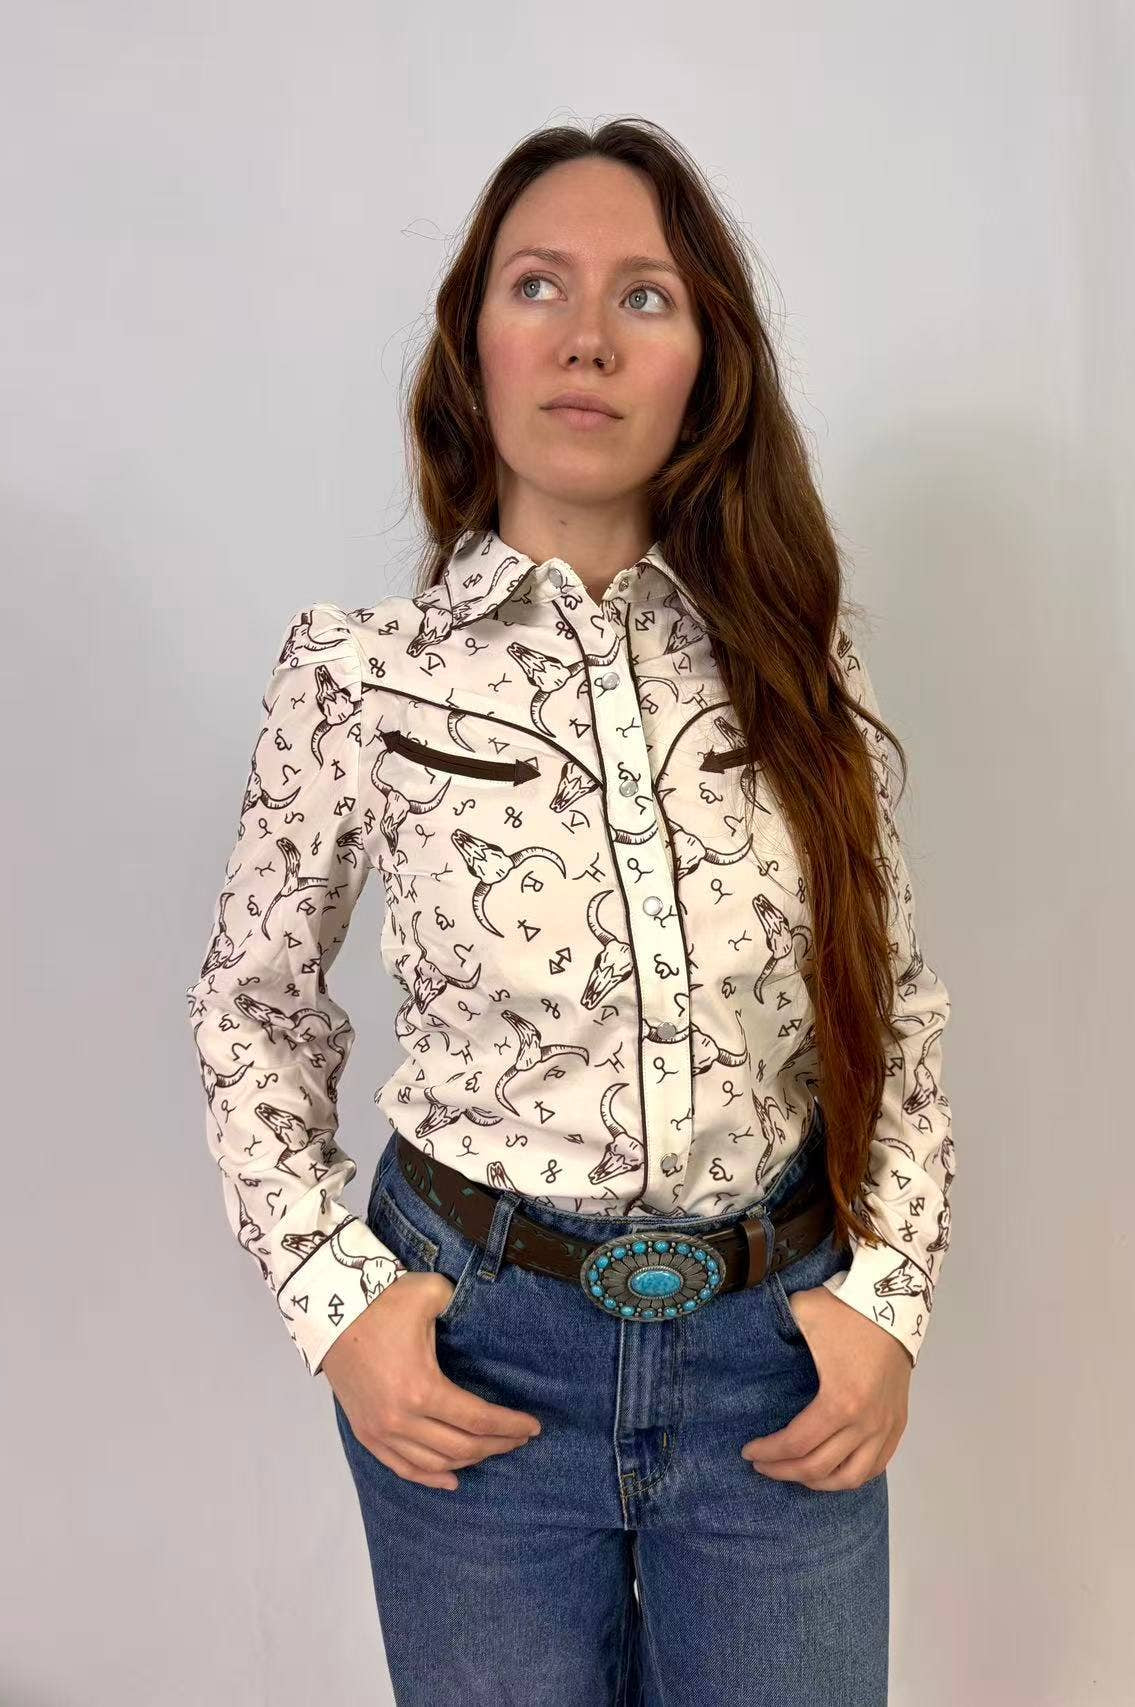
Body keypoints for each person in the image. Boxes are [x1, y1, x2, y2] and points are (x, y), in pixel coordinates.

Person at [185, 117, 953, 1706]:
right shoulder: (358, 674)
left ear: (706, 364)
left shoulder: (802, 671)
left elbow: (901, 1005)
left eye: (646, 298)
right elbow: (254, 1012)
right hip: (476, 1359)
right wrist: (342, 1309)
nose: (588, 336)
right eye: (539, 286)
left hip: (778, 1365)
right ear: (475, 343)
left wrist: (889, 1301)